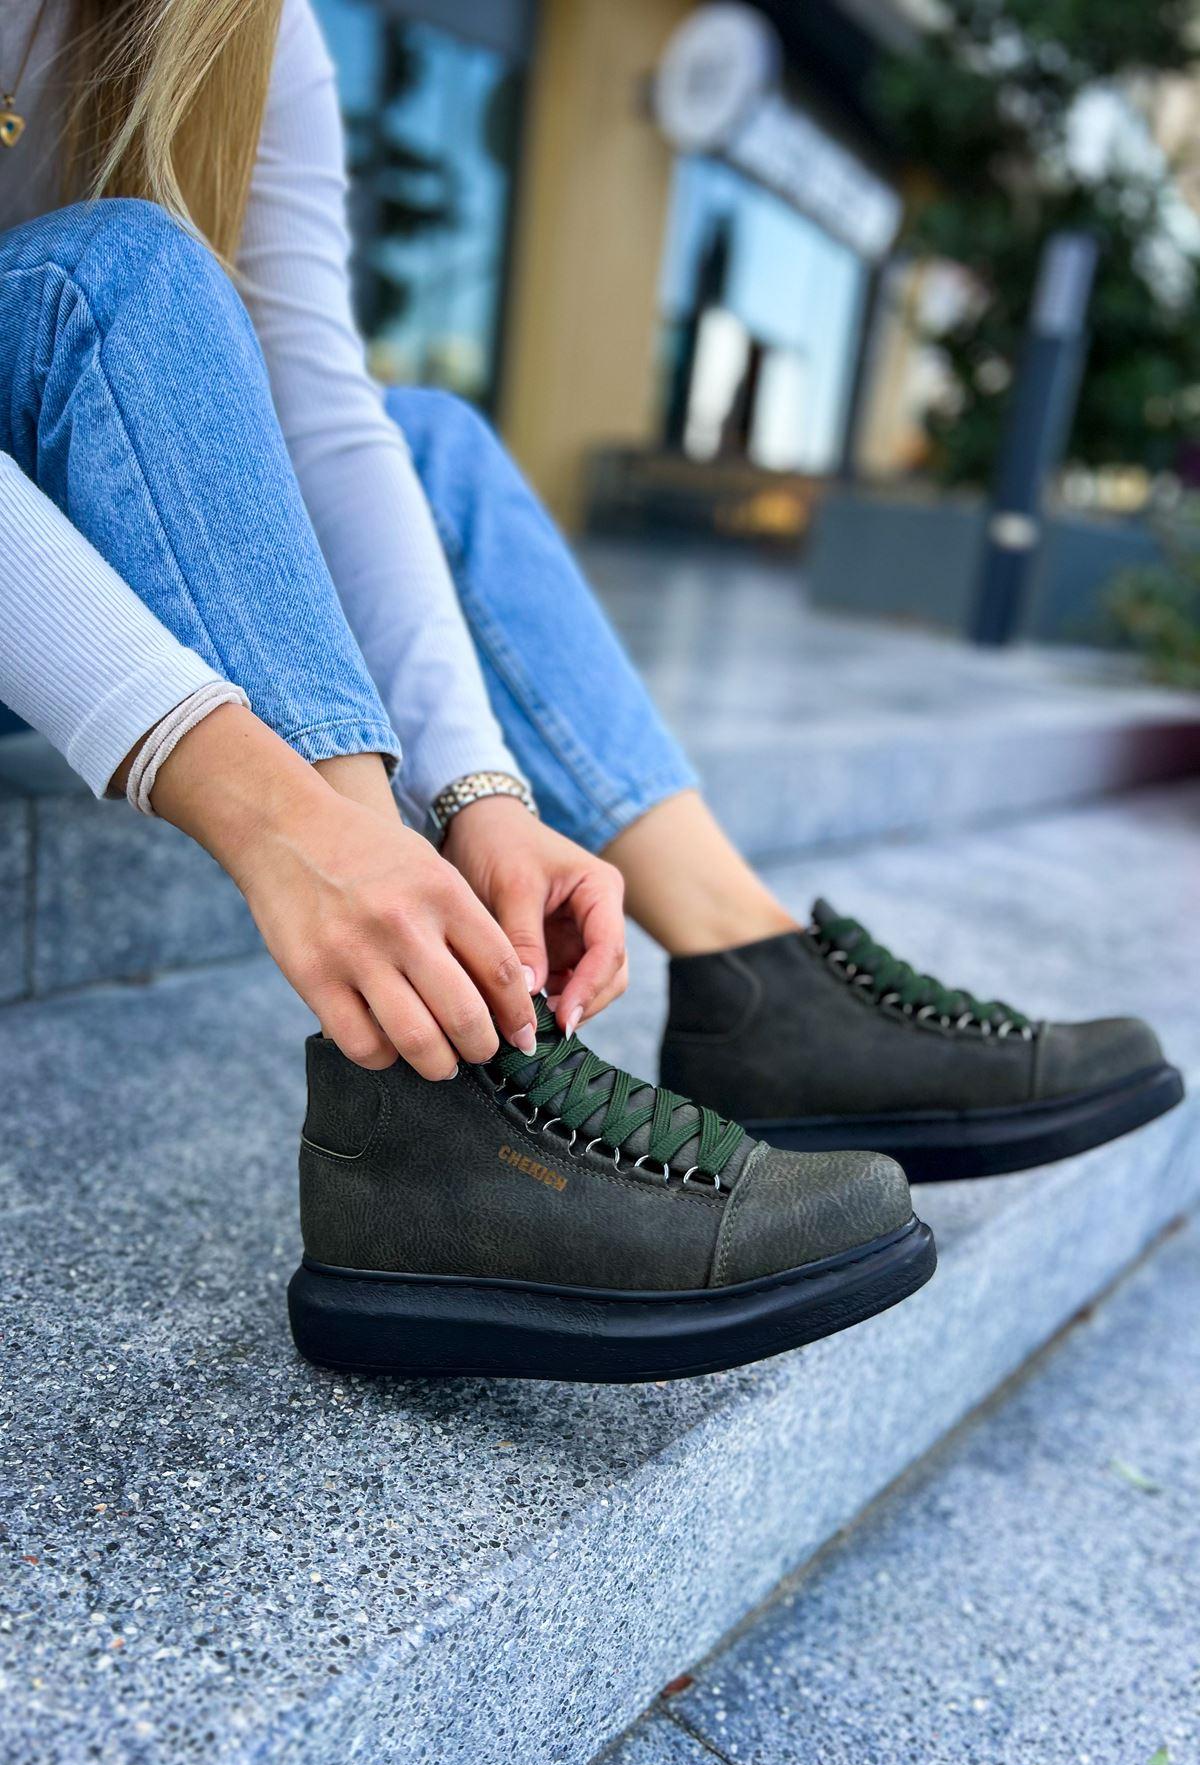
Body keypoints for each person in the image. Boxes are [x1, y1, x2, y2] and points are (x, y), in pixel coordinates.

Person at [0, 0, 1177, 1381]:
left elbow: (319, 405)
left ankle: (754, 975)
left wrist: (481, 793)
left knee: (424, 435)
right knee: (118, 272)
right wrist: (290, 823)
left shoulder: (253, 28)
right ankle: (421, 1098)